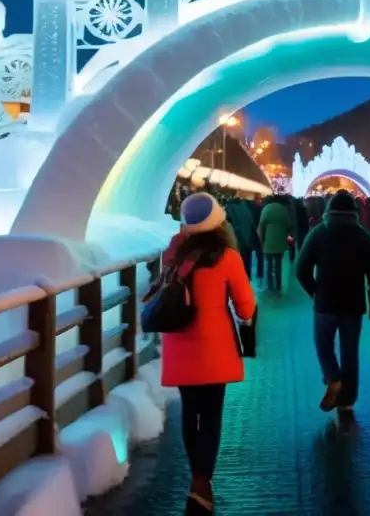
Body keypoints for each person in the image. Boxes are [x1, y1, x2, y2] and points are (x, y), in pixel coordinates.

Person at [156, 193, 256, 514]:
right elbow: (246, 307)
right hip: (215, 348)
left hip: (179, 344)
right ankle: (202, 482)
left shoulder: (172, 255)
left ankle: (197, 479)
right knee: (211, 416)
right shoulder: (227, 257)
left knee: (190, 413)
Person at [295, 190, 370, 416]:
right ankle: (347, 399)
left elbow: (301, 268)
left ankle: (333, 377)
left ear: (328, 210)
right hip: (353, 305)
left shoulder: (318, 234)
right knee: (350, 351)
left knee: (323, 345)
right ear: (354, 212)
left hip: (325, 302)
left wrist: (314, 290)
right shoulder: (363, 236)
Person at [258, 195, 292, 290]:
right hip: (280, 243)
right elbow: (289, 225)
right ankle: (278, 285)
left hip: (268, 244)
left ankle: (270, 286)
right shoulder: (283, 209)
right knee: (278, 265)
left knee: (269, 265)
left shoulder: (266, 209)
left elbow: (261, 227)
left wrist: (261, 241)